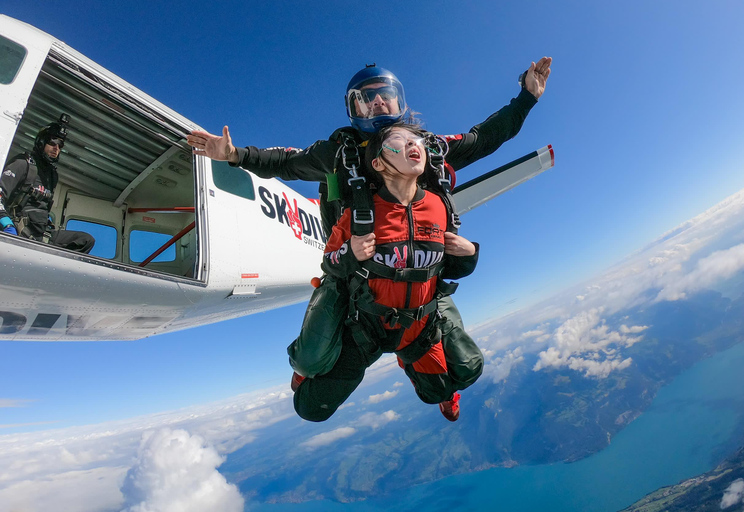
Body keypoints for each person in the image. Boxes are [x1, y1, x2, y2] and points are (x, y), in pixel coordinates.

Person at [187, 58, 551, 396]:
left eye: (385, 96)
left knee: (462, 371)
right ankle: (316, 360)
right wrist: (234, 156)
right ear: (353, 109)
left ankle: (420, 362)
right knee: (312, 363)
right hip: (352, 267)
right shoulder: (338, 153)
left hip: (417, 268)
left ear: (400, 103)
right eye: (367, 99)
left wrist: (526, 97)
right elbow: (286, 162)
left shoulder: (425, 149)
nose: (378, 104)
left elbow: (485, 137)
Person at [294, 123, 480, 422]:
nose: (412, 146)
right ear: (378, 163)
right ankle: (313, 360)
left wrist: (470, 253)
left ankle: (418, 371)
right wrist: (350, 253)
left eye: (415, 141)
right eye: (399, 142)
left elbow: (447, 269)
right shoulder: (359, 213)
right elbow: (330, 264)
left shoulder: (439, 207)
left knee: (459, 377)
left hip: (418, 329)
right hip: (365, 327)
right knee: (311, 409)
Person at [0, 115, 95, 253]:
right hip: (19, 233)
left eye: (60, 145)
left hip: (43, 235)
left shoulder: (52, 175)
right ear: (41, 142)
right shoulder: (22, 164)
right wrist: (7, 226)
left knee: (86, 240)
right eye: (53, 142)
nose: (56, 148)